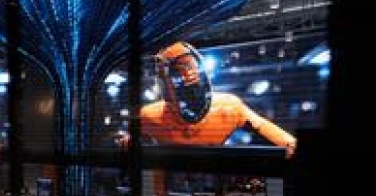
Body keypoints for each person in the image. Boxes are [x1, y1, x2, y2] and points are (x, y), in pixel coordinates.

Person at [117, 41, 296, 156]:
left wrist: (290, 145)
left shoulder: (228, 106)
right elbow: (130, 136)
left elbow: (263, 126)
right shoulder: (149, 115)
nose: (188, 76)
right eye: (179, 71)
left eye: (190, 67)